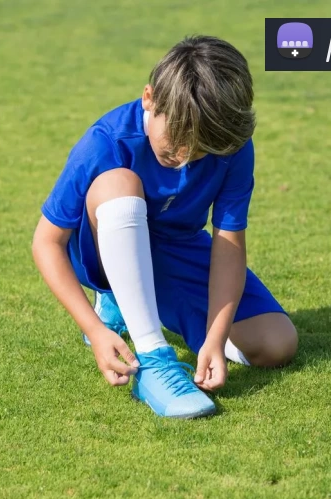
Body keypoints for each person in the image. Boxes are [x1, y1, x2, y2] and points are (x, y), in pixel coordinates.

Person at [32, 35, 298, 419]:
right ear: (149, 99)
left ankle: (133, 304)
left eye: (201, 150)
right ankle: (152, 359)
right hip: (100, 253)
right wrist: (94, 330)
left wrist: (215, 337)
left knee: (277, 344)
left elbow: (228, 242)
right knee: (119, 184)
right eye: (176, 144)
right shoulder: (106, 141)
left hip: (176, 248)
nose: (186, 158)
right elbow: (46, 243)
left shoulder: (229, 143)